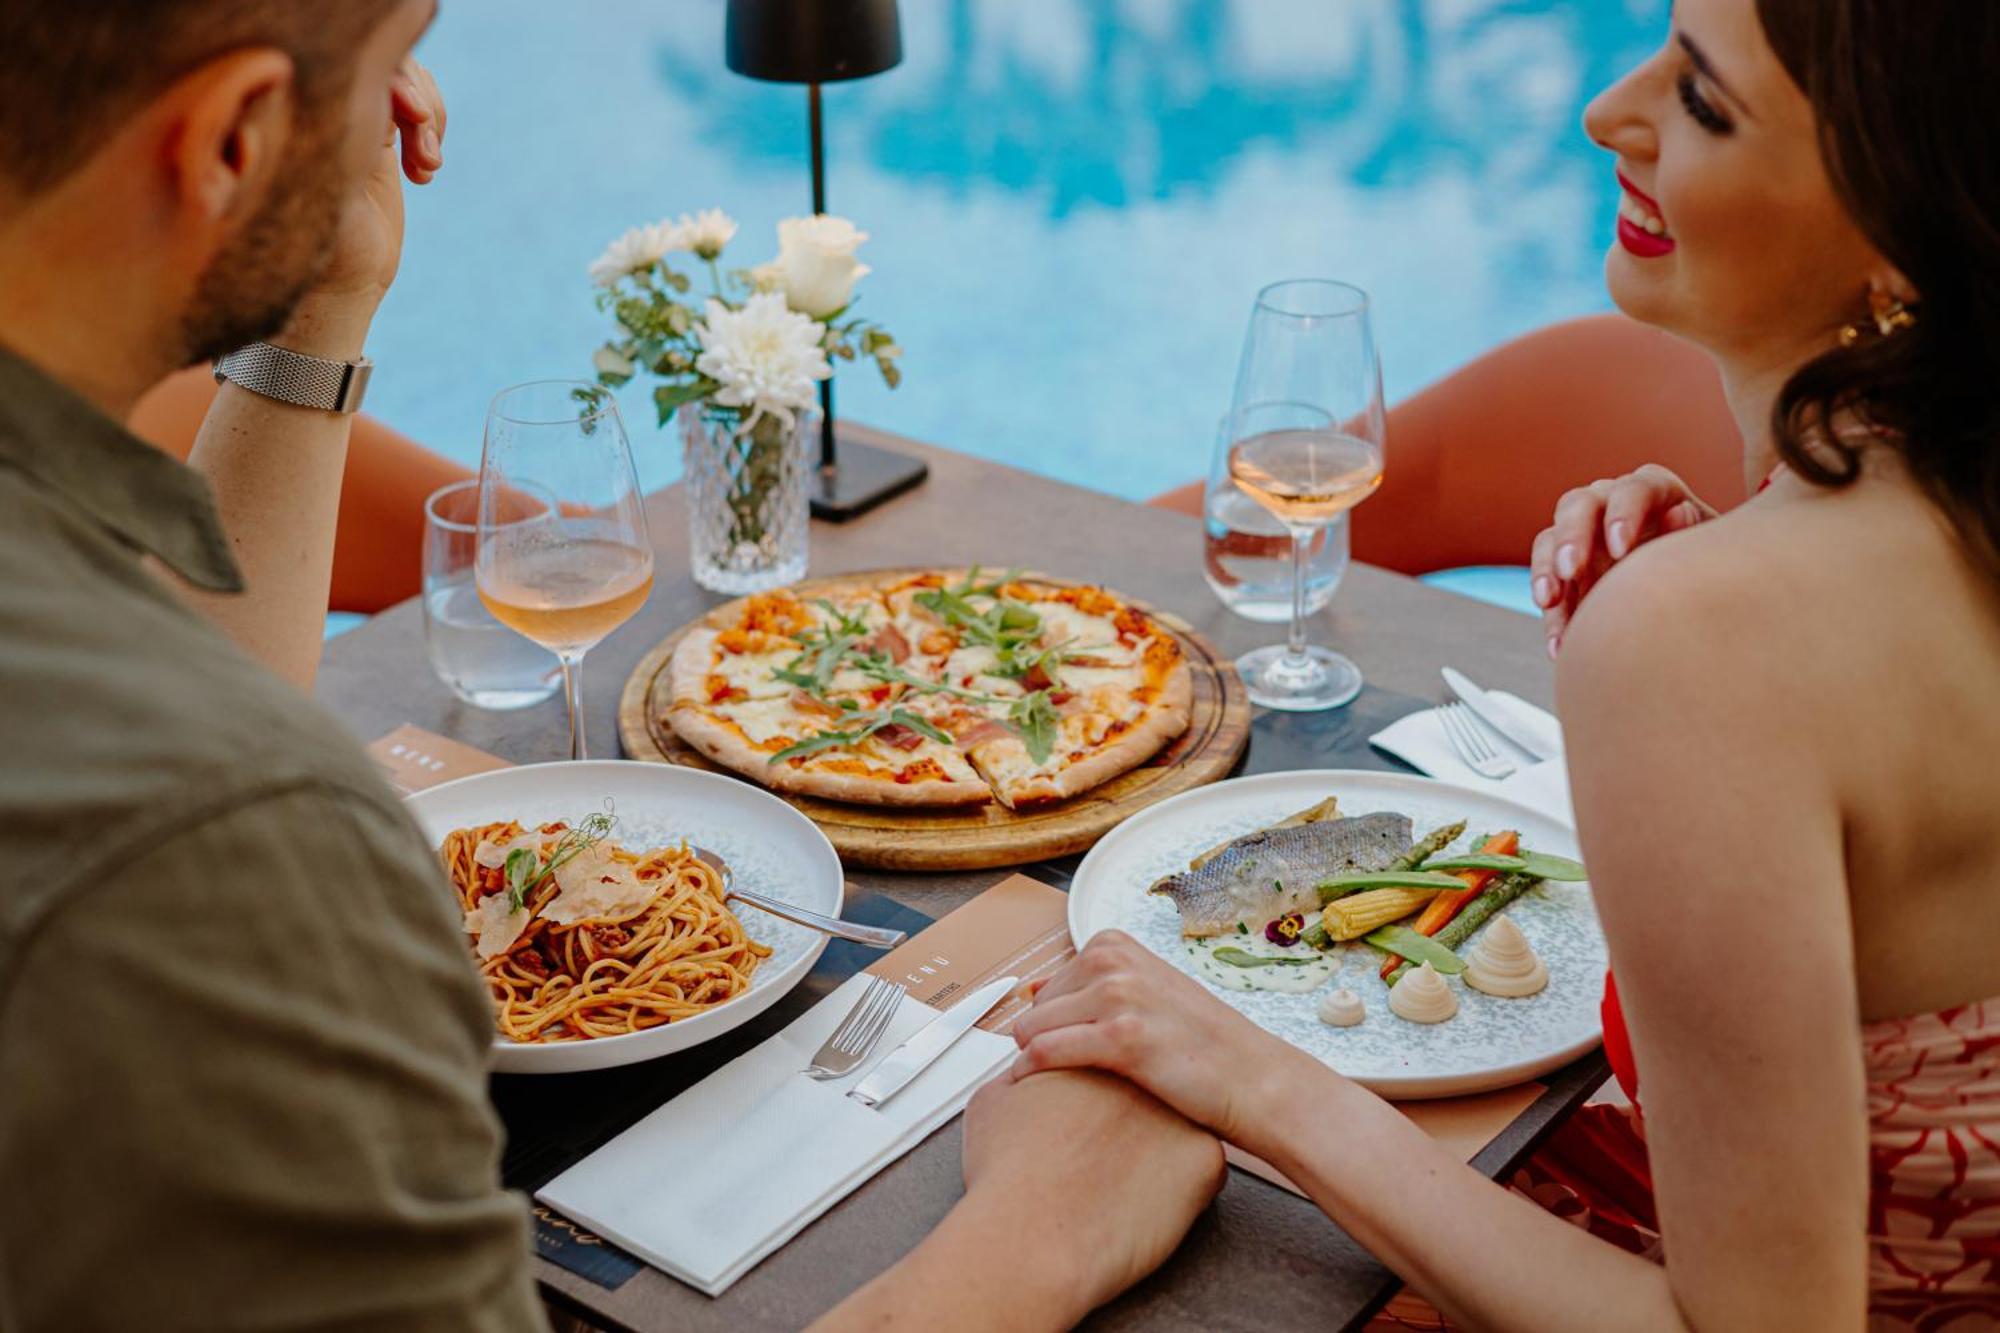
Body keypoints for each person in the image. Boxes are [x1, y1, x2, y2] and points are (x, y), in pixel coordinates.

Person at [855, 0, 2000, 1328]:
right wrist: (1726, 578)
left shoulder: (1713, 637)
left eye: (1701, 101)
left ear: (1900, 226)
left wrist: (1265, 1082)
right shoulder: (1903, 533)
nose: (1606, 113)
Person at [0, 4, 551, 1327]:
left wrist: (318, 307)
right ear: (237, 135)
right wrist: (1044, 1218)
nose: (407, 111)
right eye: (392, 63)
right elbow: (199, 806)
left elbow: (170, 707)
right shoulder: (237, 837)